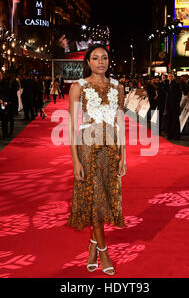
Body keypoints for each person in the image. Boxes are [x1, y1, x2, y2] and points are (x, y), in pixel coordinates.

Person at [67, 44, 127, 276]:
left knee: (105, 199)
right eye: (95, 58)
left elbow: (120, 123)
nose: (100, 61)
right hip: (88, 149)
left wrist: (124, 156)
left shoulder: (117, 87)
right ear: (88, 62)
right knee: (95, 201)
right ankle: (103, 251)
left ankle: (92, 247)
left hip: (111, 150)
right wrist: (75, 160)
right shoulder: (78, 87)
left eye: (104, 57)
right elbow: (72, 127)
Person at [166, 73, 182, 140]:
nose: (170, 77)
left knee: (175, 120)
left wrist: (176, 102)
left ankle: (176, 136)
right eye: (169, 76)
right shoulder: (167, 84)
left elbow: (179, 95)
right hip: (169, 105)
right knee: (169, 120)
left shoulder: (176, 84)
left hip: (175, 105)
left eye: (171, 76)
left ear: (174, 77)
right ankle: (170, 135)